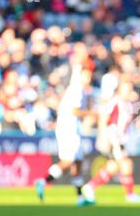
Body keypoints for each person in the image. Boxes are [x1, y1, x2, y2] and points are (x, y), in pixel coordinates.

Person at [34, 42, 97, 205]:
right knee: (69, 161)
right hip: (68, 127)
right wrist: (93, 113)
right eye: (87, 74)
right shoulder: (77, 89)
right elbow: (75, 111)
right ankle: (43, 180)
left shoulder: (79, 89)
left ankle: (80, 197)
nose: (90, 77)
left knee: (78, 161)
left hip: (70, 127)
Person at [80, 81, 140, 205]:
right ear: (119, 90)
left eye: (129, 89)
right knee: (126, 163)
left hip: (119, 138)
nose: (129, 92)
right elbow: (104, 118)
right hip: (112, 137)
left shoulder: (127, 104)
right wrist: (103, 137)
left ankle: (90, 187)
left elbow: (132, 117)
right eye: (126, 89)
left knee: (113, 166)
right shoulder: (115, 101)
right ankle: (130, 194)